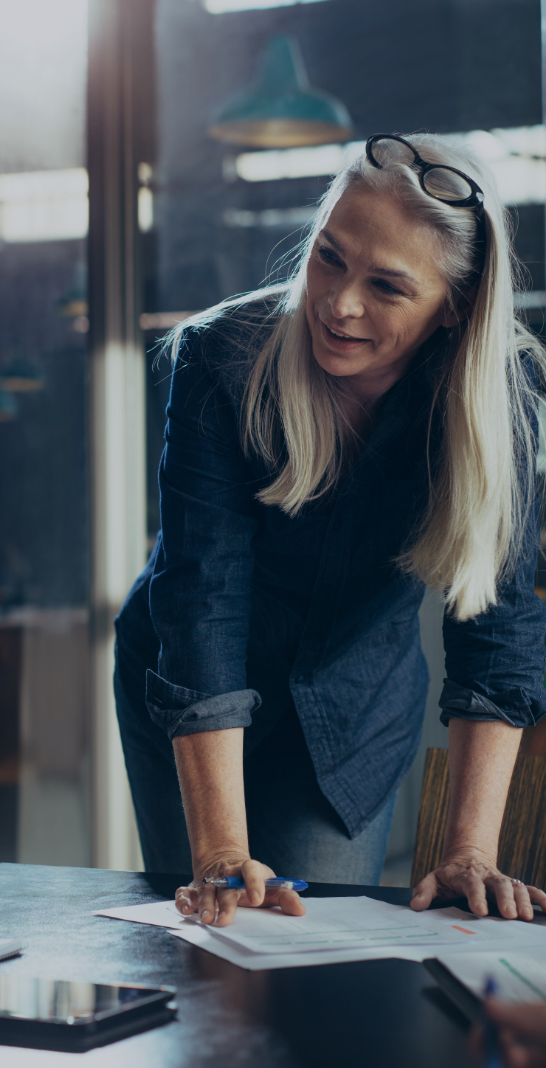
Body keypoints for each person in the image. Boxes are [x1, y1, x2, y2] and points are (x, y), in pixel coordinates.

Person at [115, 133, 546, 927]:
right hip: (186, 682)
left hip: (354, 704)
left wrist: (470, 854)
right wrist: (216, 855)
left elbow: (499, 624)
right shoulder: (222, 358)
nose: (339, 302)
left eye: (387, 285)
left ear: (453, 306)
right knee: (215, 931)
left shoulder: (500, 393)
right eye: (329, 257)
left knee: (312, 956)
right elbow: (203, 601)